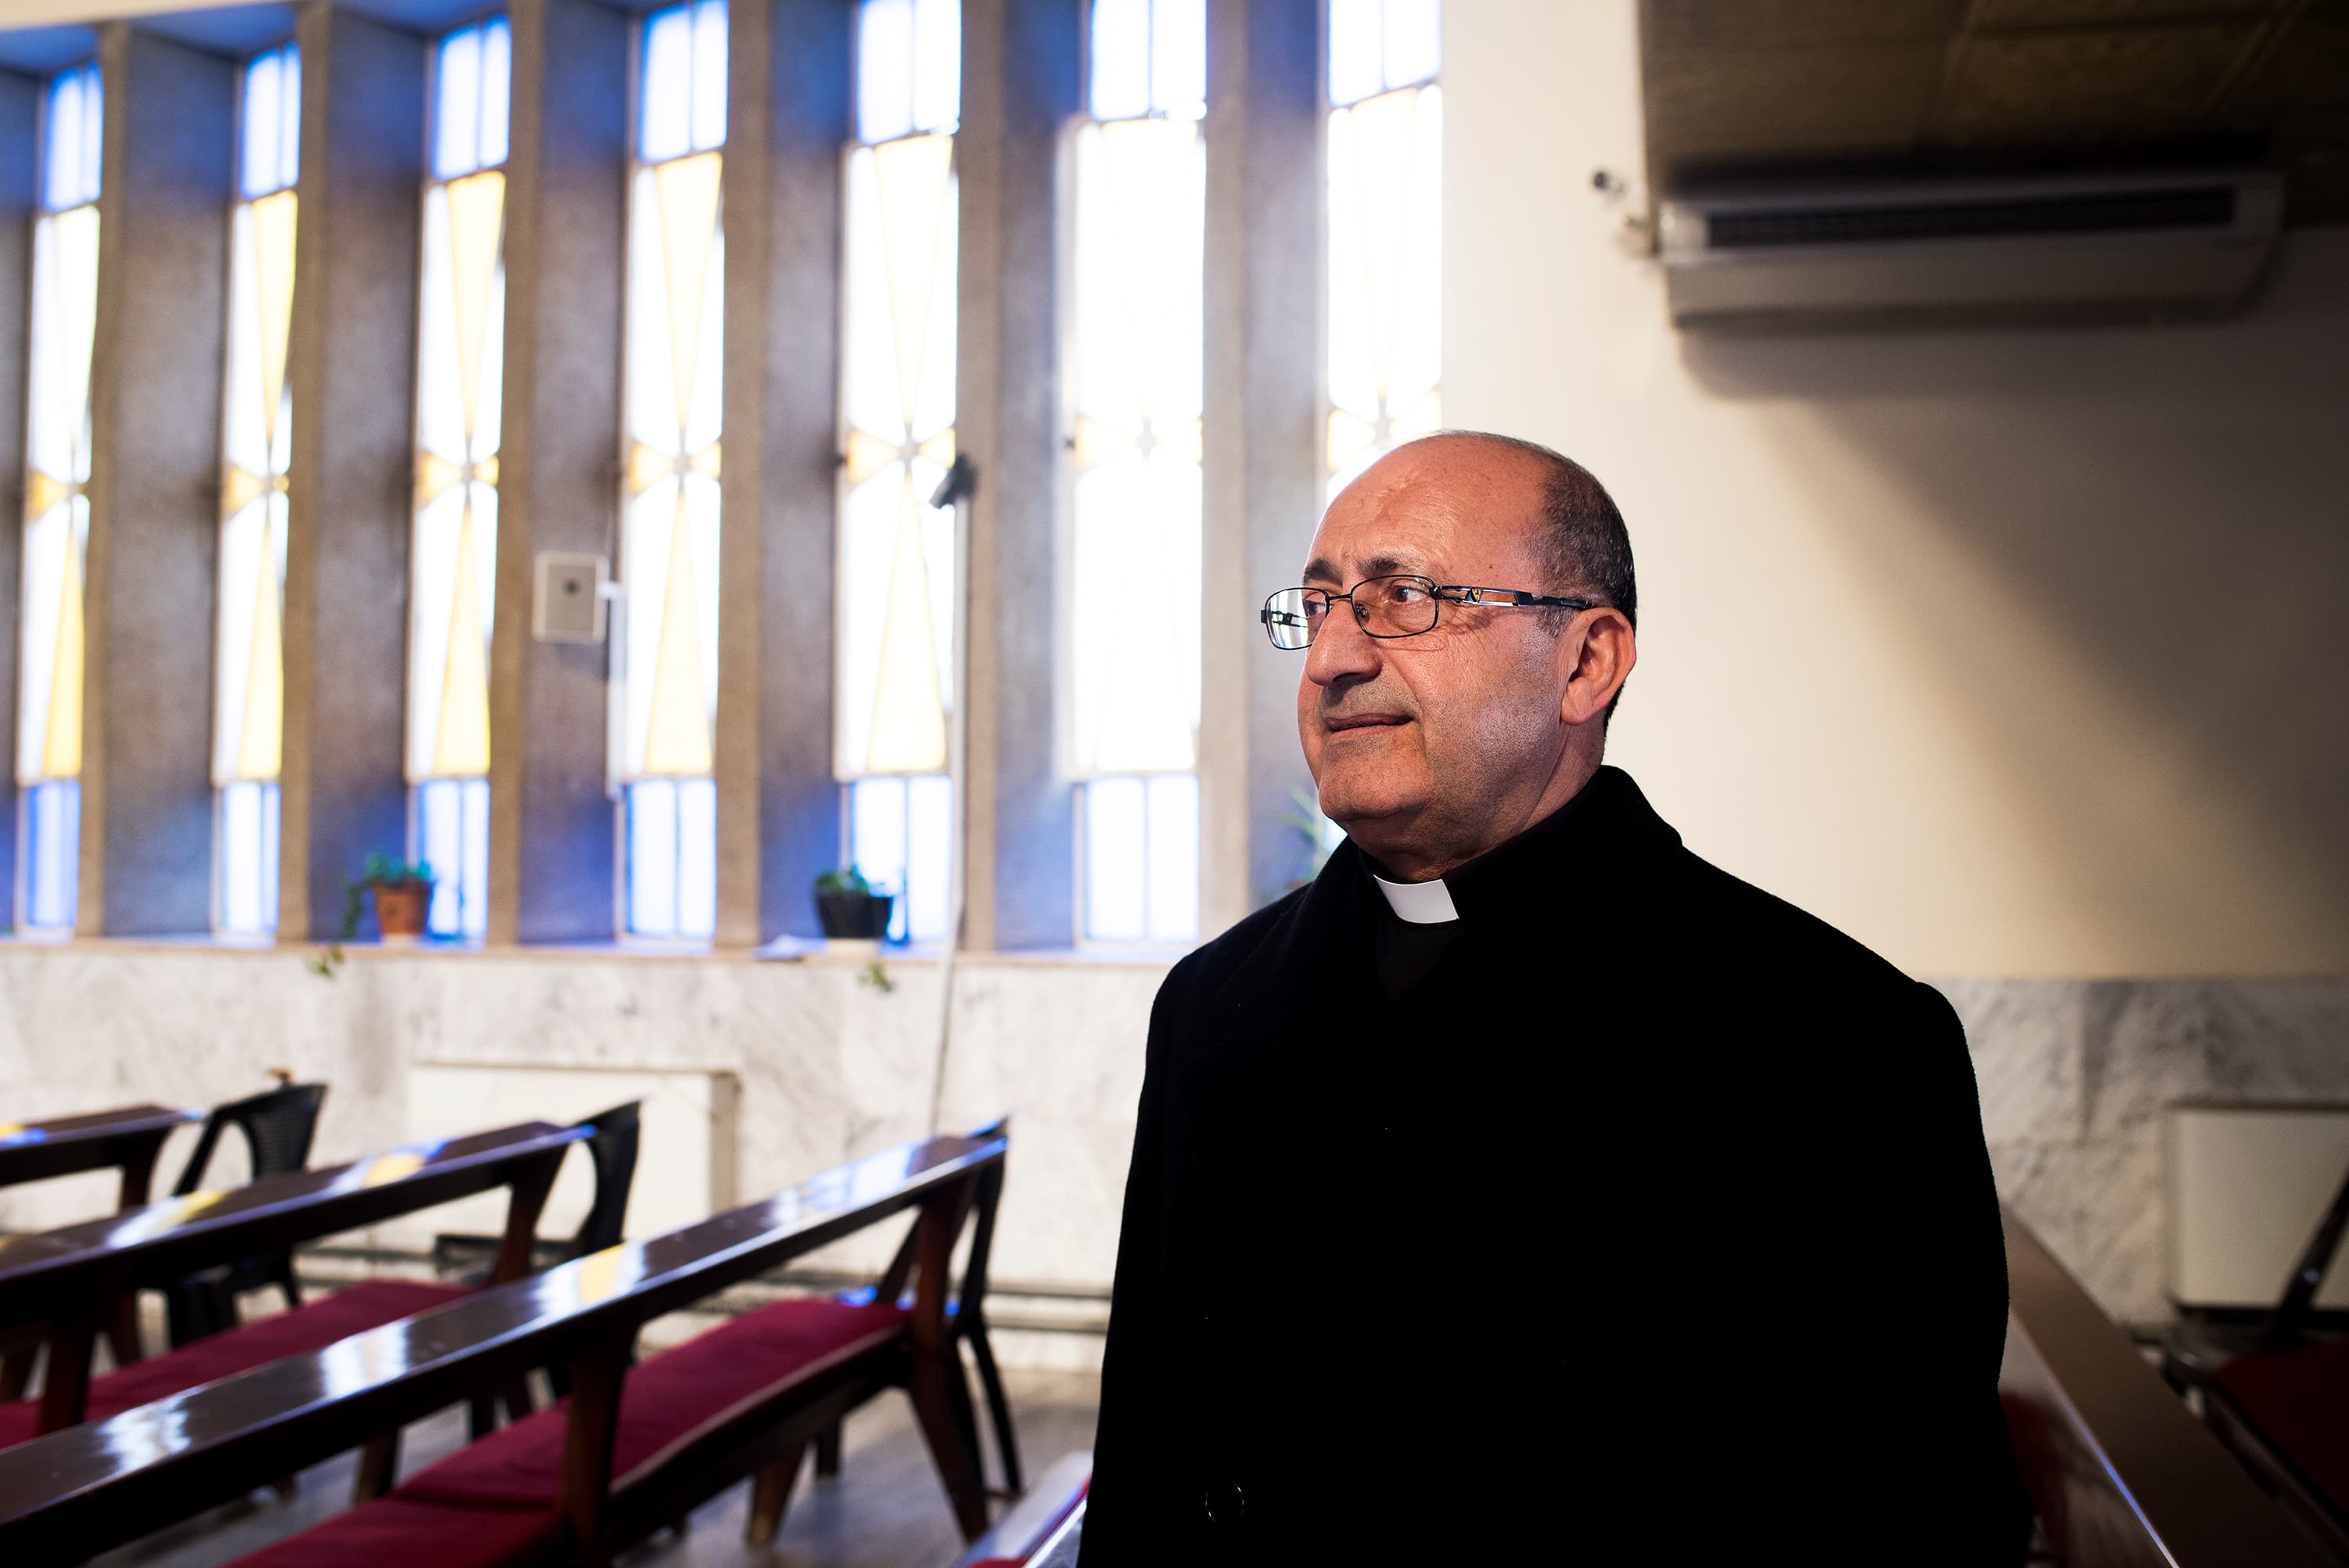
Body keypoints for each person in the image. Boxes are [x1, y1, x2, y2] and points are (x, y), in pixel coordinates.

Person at [1080, 432, 2023, 1563]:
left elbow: (1917, 1512)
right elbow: (1146, 1446)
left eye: (1405, 598)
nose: (1331, 655)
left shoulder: (1838, 1042)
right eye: (1319, 605)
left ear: (1585, 663)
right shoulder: (1213, 1006)